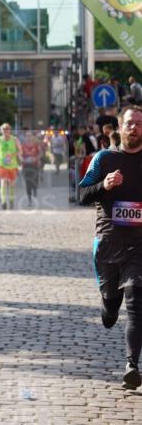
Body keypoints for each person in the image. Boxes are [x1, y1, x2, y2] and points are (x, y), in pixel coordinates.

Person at [79, 107, 142, 390]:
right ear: (120, 126)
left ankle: (132, 366)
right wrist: (103, 185)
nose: (134, 128)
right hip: (108, 244)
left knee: (136, 301)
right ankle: (108, 304)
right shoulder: (104, 159)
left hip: (139, 245)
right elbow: (82, 194)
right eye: (130, 123)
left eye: (139, 124)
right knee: (111, 310)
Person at [0, 123, 22, 210]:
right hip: (2, 164)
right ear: (1, 130)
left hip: (12, 165)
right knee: (3, 182)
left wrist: (13, 154)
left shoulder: (15, 139)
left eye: (7, 129)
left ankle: (11, 200)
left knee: (12, 183)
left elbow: (20, 150)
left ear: (10, 130)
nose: (5, 131)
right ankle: (3, 201)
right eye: (4, 129)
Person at [21, 130, 42, 207]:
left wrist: (36, 158)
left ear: (32, 137)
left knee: (35, 181)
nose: (28, 137)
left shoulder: (36, 145)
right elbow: (19, 154)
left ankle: (35, 189)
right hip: (26, 166)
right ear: (25, 137)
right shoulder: (23, 146)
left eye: (30, 136)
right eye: (27, 136)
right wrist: (21, 159)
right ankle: (29, 200)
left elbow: (41, 153)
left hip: (34, 165)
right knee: (28, 183)